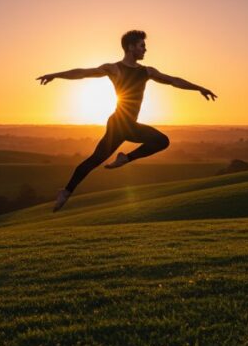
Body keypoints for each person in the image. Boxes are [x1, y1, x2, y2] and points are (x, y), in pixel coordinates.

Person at [36, 30, 217, 212]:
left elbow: (174, 81)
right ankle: (66, 191)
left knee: (152, 144)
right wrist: (55, 74)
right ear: (130, 47)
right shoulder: (114, 69)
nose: (145, 49)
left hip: (127, 125)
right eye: (142, 46)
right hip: (118, 123)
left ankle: (115, 163)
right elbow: (83, 73)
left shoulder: (147, 71)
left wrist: (198, 88)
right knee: (101, 158)